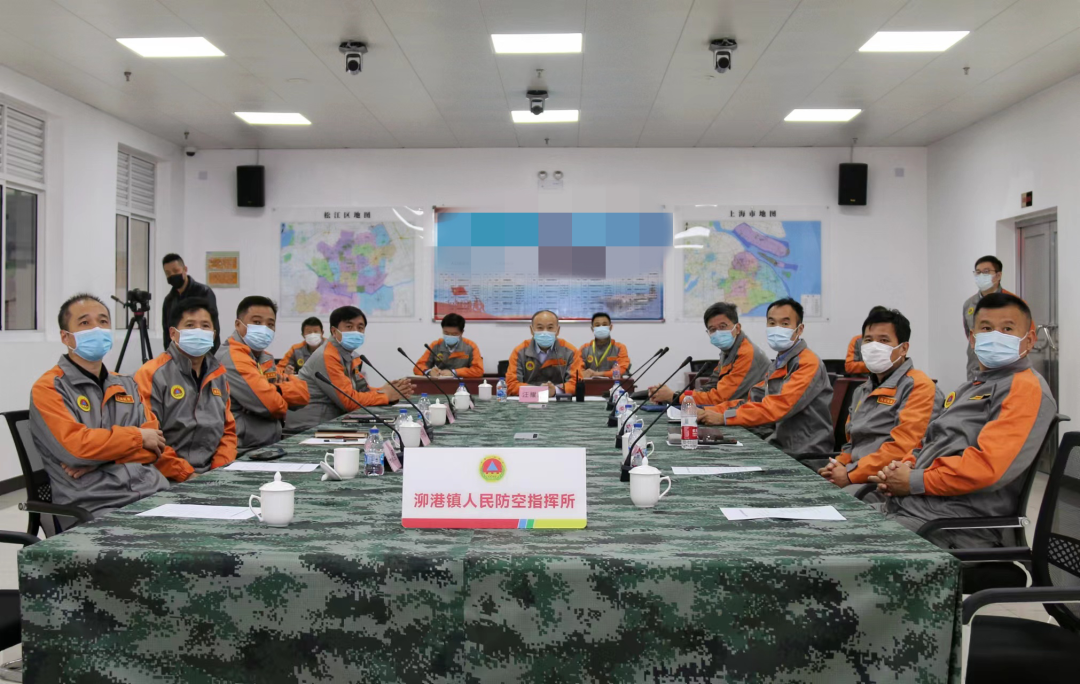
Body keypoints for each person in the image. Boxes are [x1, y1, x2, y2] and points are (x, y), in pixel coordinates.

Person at [871, 292, 1056, 548]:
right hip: (916, 508)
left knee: (843, 550)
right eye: (986, 328)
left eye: (1007, 329)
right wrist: (902, 469)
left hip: (956, 526)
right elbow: (930, 441)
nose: (995, 336)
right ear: (972, 338)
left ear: (1030, 339)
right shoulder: (971, 387)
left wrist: (914, 481)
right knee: (831, 524)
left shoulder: (1024, 388)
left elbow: (988, 467)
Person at [28, 294, 169, 517]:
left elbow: (155, 447)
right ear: (66, 337)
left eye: (103, 321)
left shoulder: (127, 384)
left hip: (153, 493)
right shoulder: (50, 388)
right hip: (95, 505)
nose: (96, 328)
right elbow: (76, 450)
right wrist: (137, 437)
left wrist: (101, 460)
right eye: (85, 322)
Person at [818, 308, 941, 490]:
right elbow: (852, 443)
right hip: (855, 474)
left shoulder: (918, 386)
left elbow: (903, 448)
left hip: (884, 482)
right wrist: (838, 465)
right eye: (868, 340)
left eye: (884, 340)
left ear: (903, 348)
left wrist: (850, 474)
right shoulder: (862, 390)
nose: (874, 346)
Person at [697, 298, 833, 456]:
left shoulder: (807, 363)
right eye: (772, 323)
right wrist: (707, 411)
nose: (777, 328)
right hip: (778, 444)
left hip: (805, 453)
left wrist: (725, 418)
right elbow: (754, 400)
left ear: (799, 329)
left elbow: (776, 407)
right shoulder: (780, 362)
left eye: (785, 323)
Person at [136, 297, 236, 482]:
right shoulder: (152, 374)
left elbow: (228, 432)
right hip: (164, 477)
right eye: (190, 325)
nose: (198, 331)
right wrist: (187, 474)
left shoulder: (219, 375)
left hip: (213, 474)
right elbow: (148, 437)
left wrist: (218, 472)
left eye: (205, 326)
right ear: (173, 333)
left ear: (213, 335)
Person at [286, 306, 414, 431]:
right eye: (349, 327)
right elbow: (349, 401)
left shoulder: (349, 355)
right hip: (309, 427)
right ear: (334, 331)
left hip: (329, 422)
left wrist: (387, 390)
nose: (355, 331)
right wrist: (385, 395)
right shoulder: (327, 356)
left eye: (360, 328)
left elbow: (361, 390)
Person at [217, 297, 310, 449]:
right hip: (239, 449)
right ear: (238, 324)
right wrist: (278, 391)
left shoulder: (264, 358)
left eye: (270, 324)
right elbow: (271, 405)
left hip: (267, 445)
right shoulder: (232, 358)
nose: (264, 328)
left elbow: (303, 395)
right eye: (257, 322)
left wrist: (273, 390)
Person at [649, 302, 769, 406]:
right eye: (712, 329)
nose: (718, 332)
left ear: (737, 328)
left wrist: (675, 397)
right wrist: (671, 395)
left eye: (723, 326)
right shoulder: (729, 351)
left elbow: (720, 398)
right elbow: (710, 386)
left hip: (754, 419)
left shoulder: (746, 354)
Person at [506, 310, 583, 397]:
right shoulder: (520, 352)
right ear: (531, 330)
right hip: (529, 400)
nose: (545, 332)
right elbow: (511, 385)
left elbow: (576, 383)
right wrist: (539, 391)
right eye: (540, 328)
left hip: (559, 401)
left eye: (550, 328)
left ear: (558, 330)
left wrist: (555, 390)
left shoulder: (570, 352)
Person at [962, 256, 1014, 381]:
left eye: (986, 272)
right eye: (978, 272)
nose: (981, 276)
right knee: (975, 392)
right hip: (976, 364)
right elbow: (969, 333)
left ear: (998, 275)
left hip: (1004, 365)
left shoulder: (1012, 303)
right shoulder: (969, 304)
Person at [161, 253, 220, 354]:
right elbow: (167, 332)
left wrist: (210, 356)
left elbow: (213, 326)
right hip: (178, 355)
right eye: (168, 273)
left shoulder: (204, 292)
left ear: (185, 269)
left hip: (204, 353)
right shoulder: (169, 300)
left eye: (176, 271)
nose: (172, 275)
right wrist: (169, 355)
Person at [413, 313, 484, 378]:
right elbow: (418, 367)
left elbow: (478, 370)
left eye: (454, 334)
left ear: (462, 332)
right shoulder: (435, 345)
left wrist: (454, 372)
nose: (450, 336)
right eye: (446, 333)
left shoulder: (470, 346)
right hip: (440, 383)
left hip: (462, 384)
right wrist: (429, 372)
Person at [578, 312, 631, 379]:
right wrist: (582, 373)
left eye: (604, 324)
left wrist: (596, 374)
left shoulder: (619, 348)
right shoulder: (584, 349)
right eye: (597, 325)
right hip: (590, 384)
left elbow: (622, 369)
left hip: (614, 384)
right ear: (592, 329)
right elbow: (577, 370)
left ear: (610, 327)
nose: (601, 327)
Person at [844, 305, 889, 375]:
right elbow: (849, 366)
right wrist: (873, 365)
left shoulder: (892, 341)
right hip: (863, 380)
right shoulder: (857, 340)